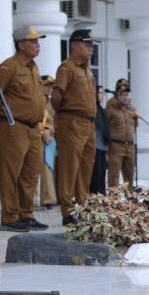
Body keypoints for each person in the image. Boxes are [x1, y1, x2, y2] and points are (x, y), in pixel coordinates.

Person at [0, 25, 48, 233]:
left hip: (33, 129)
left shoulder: (33, 67)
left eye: (37, 42)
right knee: (11, 172)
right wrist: (4, 117)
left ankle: (26, 213)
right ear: (21, 45)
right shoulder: (8, 67)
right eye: (33, 42)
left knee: (30, 173)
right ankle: (10, 216)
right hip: (14, 127)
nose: (37, 46)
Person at [52, 28, 96, 226]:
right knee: (69, 168)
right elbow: (56, 97)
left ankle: (82, 206)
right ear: (75, 45)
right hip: (71, 121)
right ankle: (67, 210)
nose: (90, 49)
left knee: (85, 168)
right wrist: (64, 116)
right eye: (87, 45)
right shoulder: (67, 68)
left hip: (88, 123)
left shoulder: (87, 69)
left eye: (91, 45)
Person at [106, 79, 138, 188]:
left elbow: (135, 125)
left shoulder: (131, 109)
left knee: (129, 177)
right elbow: (105, 123)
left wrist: (136, 118)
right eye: (122, 94)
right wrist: (116, 102)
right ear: (117, 94)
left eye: (126, 94)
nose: (125, 96)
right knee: (114, 176)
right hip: (116, 146)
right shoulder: (111, 107)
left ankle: (129, 201)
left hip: (130, 146)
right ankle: (112, 201)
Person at [38, 75, 57, 209]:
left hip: (48, 138)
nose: (49, 88)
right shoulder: (37, 101)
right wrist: (42, 131)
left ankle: (49, 199)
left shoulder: (49, 102)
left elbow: (52, 120)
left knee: (48, 168)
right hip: (37, 136)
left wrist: (50, 130)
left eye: (51, 86)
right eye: (47, 85)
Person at [90, 85, 111, 195]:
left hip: (102, 146)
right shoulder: (92, 109)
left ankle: (101, 195)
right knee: (96, 175)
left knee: (102, 174)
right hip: (94, 146)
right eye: (99, 92)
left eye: (102, 93)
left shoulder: (102, 110)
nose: (101, 95)